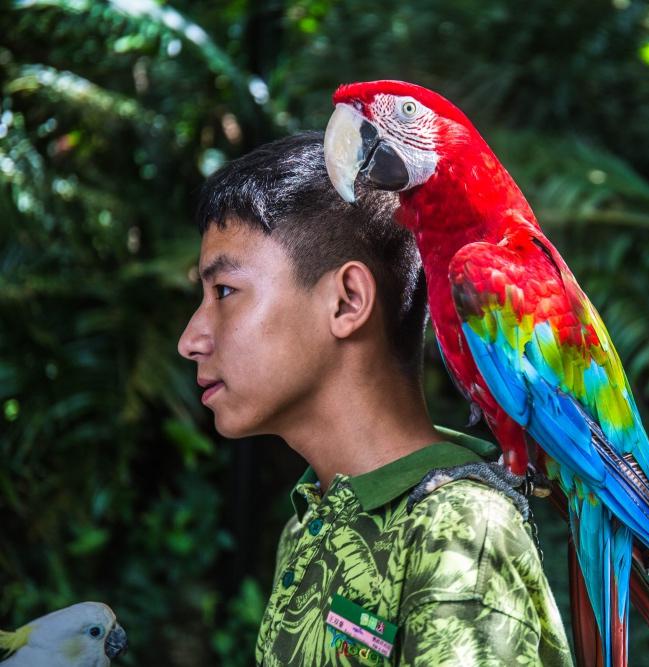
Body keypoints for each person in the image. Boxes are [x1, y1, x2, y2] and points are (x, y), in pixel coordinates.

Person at [176, 132, 572, 666]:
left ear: (347, 301)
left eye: (224, 292)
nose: (191, 339)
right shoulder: (309, 522)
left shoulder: (459, 529)